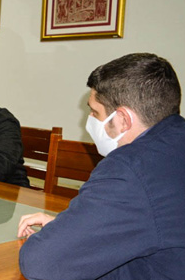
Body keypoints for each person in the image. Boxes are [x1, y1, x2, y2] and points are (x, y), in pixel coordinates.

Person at [17, 53, 185, 279]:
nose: (90, 121)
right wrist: (76, 230)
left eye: (95, 112)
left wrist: (67, 240)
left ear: (123, 119)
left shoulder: (129, 169)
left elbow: (40, 263)